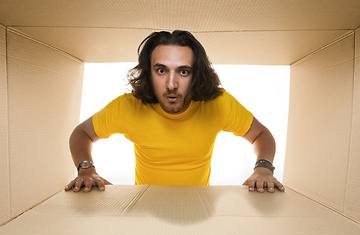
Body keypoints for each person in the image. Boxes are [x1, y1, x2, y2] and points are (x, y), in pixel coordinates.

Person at [65, 30, 285, 193]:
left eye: (183, 71)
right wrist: (86, 169)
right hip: (146, 206)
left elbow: (260, 134)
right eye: (161, 70)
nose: (171, 84)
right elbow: (82, 133)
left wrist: (263, 168)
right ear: (148, 73)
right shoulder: (129, 106)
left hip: (198, 206)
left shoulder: (217, 103)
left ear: (196, 74)